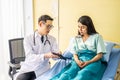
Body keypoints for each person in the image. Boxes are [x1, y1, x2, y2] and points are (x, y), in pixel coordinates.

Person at [50, 15, 107, 80]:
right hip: (78, 60)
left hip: (93, 61)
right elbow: (75, 53)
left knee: (83, 74)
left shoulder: (97, 37)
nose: (80, 29)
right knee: (67, 74)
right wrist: (77, 61)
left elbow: (100, 55)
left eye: (83, 27)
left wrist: (88, 62)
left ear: (89, 27)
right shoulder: (76, 38)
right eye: (79, 27)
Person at [15, 15, 60, 80]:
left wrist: (57, 55)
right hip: (30, 68)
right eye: (48, 26)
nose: (49, 29)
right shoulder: (28, 38)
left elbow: (55, 58)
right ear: (40, 24)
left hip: (43, 69)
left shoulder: (52, 39)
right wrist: (45, 56)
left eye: (51, 27)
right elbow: (30, 57)